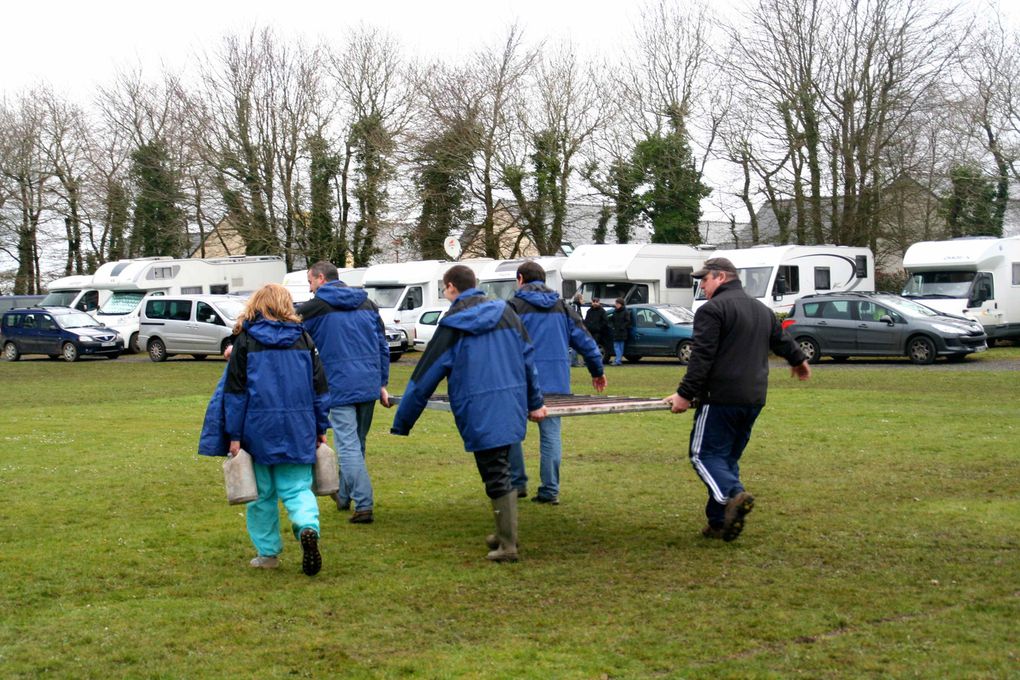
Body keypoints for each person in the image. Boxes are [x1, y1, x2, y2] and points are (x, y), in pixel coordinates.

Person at [391, 265, 546, 562]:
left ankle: (508, 546)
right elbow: (528, 359)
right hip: (511, 402)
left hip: (477, 407)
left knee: (495, 473)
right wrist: (534, 401)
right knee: (501, 467)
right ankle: (504, 534)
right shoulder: (506, 312)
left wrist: (403, 421)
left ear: (451, 287)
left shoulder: (451, 325)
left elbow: (424, 377)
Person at [664, 258, 811, 542]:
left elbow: (702, 357)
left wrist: (684, 394)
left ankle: (734, 494)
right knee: (726, 459)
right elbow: (781, 340)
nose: (702, 287)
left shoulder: (712, 310)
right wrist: (798, 360)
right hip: (753, 398)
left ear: (720, 277)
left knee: (703, 456)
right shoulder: (762, 310)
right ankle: (718, 521)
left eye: (704, 280)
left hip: (721, 397)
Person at [222, 283, 331, 575]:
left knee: (261, 495)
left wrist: (233, 435)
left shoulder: (244, 341)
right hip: (299, 426)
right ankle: (308, 526)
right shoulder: (305, 339)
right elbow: (320, 388)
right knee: (297, 488)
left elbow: (235, 392)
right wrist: (321, 426)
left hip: (256, 428)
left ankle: (268, 553)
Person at [507, 261, 607, 505]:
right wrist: (596, 370)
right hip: (556, 383)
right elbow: (585, 340)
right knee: (551, 436)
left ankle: (517, 483)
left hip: (519, 382)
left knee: (510, 432)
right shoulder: (562, 307)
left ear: (520, 279)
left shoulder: (512, 307)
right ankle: (550, 489)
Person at [299, 261, 390, 525]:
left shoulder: (314, 308)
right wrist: (381, 382)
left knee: (348, 446)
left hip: (338, 385)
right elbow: (382, 345)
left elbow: (295, 339)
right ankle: (344, 496)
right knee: (357, 443)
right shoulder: (367, 304)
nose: (310, 287)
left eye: (310, 282)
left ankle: (363, 504)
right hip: (368, 383)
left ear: (320, 279)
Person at [609, 298, 631, 366]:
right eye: (616, 303)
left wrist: (622, 327)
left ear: (621, 304)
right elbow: (611, 319)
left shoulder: (625, 311)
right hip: (616, 331)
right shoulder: (615, 311)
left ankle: (618, 360)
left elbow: (628, 321)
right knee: (617, 346)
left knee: (620, 347)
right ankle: (618, 360)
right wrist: (612, 326)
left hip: (622, 332)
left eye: (617, 304)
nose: (616, 305)